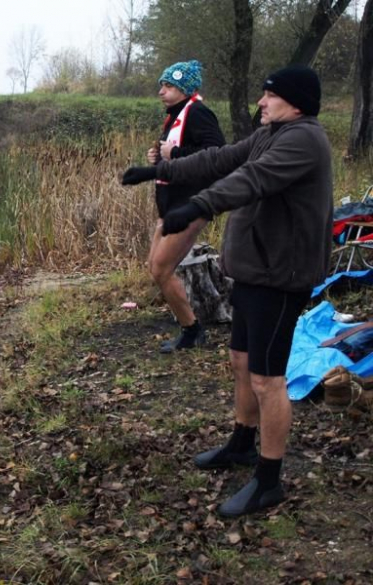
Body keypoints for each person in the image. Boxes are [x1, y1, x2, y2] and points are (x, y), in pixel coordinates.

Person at [122, 66, 333, 516]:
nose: (260, 101)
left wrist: (199, 204)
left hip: (281, 275)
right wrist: (160, 170)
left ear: (293, 102)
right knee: (241, 361)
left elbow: (250, 180)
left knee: (267, 378)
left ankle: (269, 479)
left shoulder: (303, 139)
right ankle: (241, 443)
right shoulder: (271, 132)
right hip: (256, 269)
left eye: (269, 95)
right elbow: (220, 160)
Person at [142, 60, 225, 353]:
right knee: (155, 268)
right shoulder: (176, 115)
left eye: (168, 86)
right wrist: (159, 158)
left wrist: (174, 152)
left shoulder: (199, 113)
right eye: (161, 85)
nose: (161, 91)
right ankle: (190, 325)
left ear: (186, 89)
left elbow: (216, 154)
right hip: (171, 206)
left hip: (189, 205)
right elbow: (176, 157)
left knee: (162, 269)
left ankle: (192, 331)